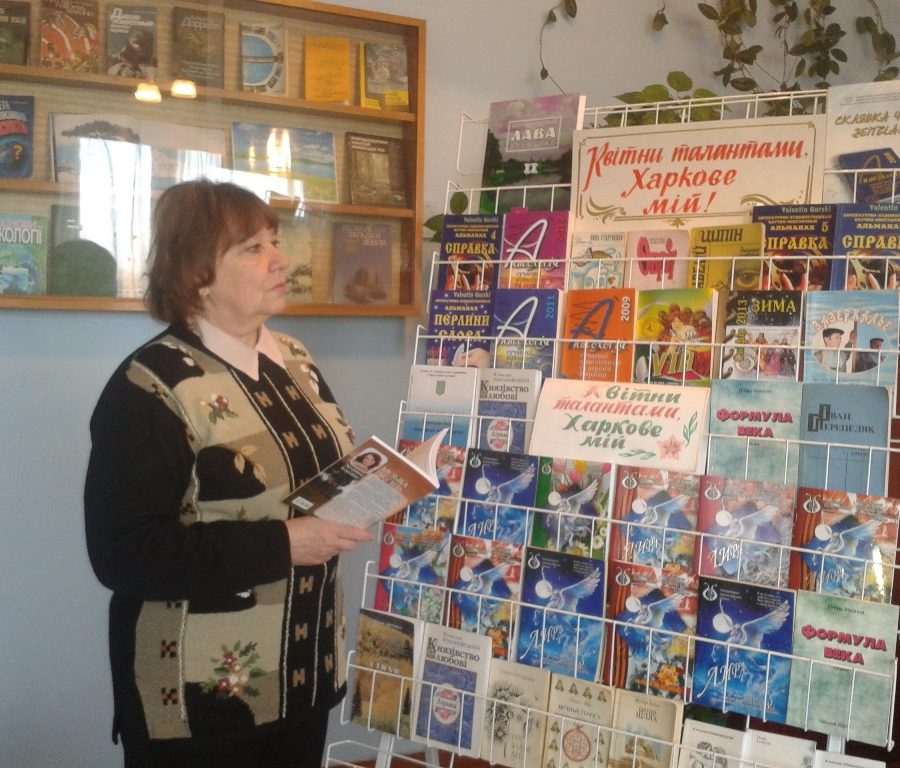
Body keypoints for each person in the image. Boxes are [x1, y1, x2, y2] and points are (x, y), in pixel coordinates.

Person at [84, 179, 373, 768]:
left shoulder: (295, 358)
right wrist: (282, 545)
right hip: (202, 708)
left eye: (275, 241)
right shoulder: (151, 386)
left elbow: (312, 480)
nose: (280, 259)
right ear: (197, 274)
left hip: (302, 676)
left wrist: (385, 482)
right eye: (253, 248)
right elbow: (124, 554)